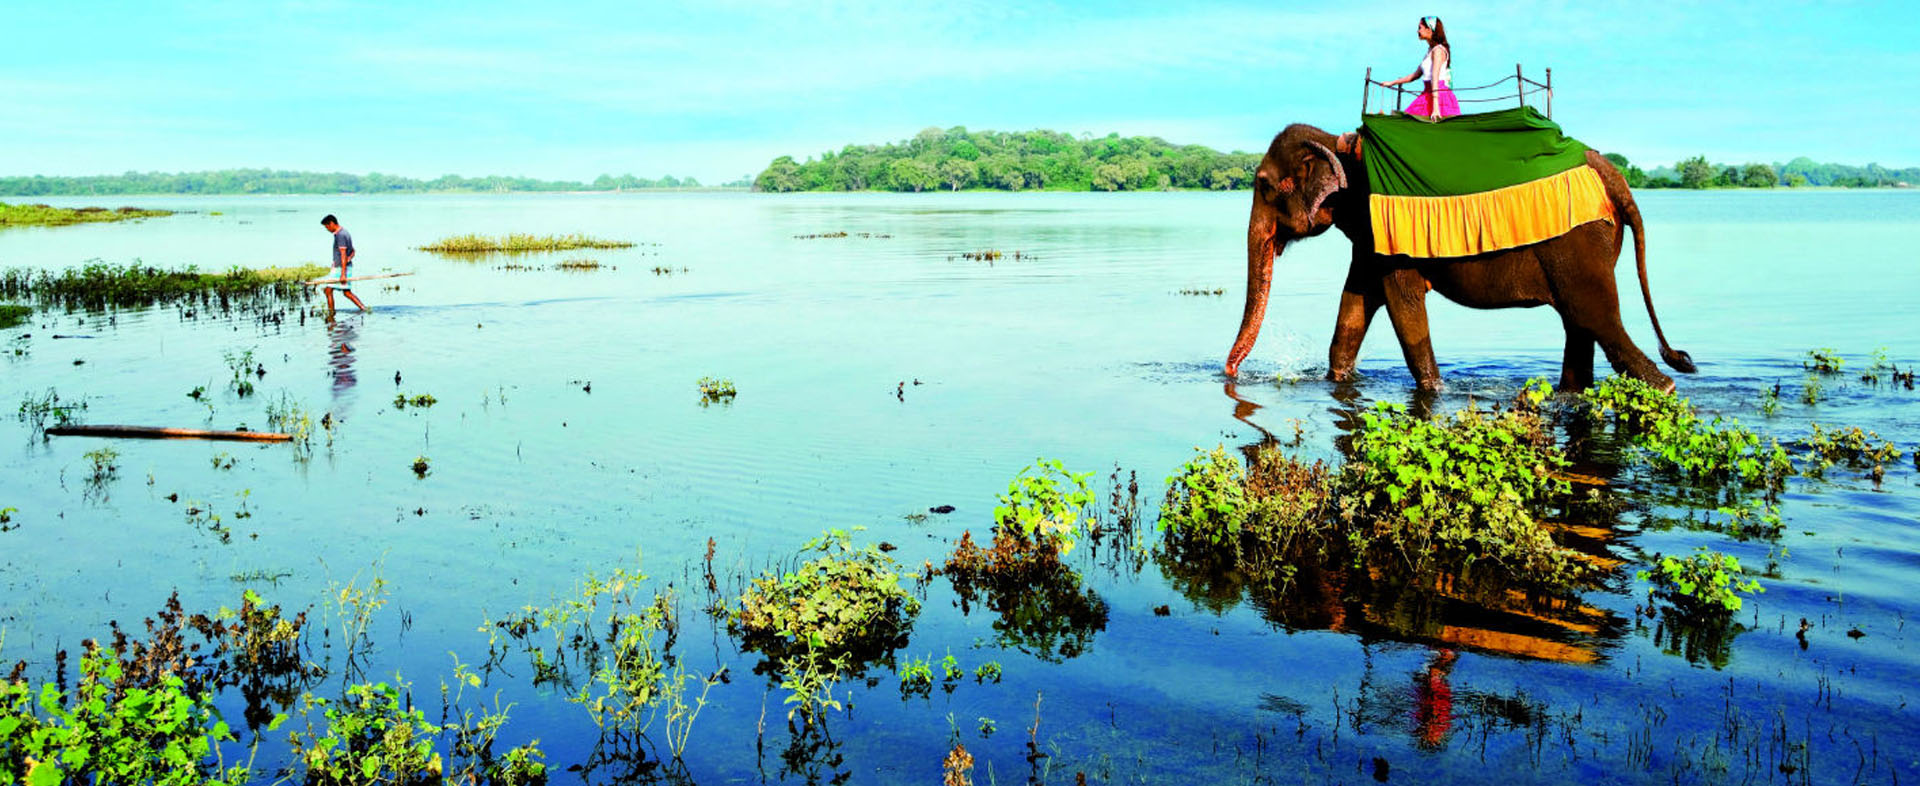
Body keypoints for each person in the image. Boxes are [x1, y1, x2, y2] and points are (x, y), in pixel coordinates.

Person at [1383, 16, 1458, 120]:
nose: (1418, 31)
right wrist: (1392, 83)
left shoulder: (1438, 51)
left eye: (1420, 27)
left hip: (1439, 96)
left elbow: (1435, 77)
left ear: (1429, 29)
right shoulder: (1430, 51)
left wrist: (1436, 108)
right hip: (1427, 94)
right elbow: (1414, 75)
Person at [320, 214, 367, 314]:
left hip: (341, 268)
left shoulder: (341, 235)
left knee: (328, 291)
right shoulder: (344, 233)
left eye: (327, 227)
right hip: (342, 266)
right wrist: (344, 261)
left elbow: (343, 254)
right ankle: (364, 309)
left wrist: (343, 273)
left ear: (332, 223)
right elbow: (353, 251)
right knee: (346, 292)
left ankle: (331, 314)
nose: (327, 229)